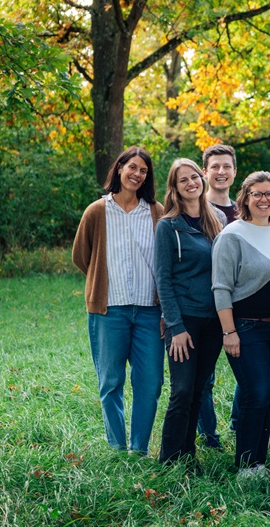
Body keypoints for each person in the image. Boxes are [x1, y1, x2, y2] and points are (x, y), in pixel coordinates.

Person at [72, 146, 164, 455]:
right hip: (108, 310)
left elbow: (163, 261)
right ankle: (116, 447)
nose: (137, 174)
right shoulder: (97, 210)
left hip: (150, 313)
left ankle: (138, 448)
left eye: (143, 171)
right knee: (111, 382)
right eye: (132, 167)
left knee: (150, 384)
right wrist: (101, 280)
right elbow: (82, 256)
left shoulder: (156, 211)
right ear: (119, 168)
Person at [212, 171, 270, 479]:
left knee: (269, 395)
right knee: (256, 394)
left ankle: (258, 462)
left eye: (268, 194)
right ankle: (246, 464)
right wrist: (229, 331)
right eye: (257, 194)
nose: (263, 199)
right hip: (246, 328)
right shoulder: (232, 234)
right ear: (246, 199)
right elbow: (221, 287)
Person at [154, 159, 226, 465]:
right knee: (182, 390)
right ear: (175, 187)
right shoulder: (168, 226)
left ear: (202, 178)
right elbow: (163, 278)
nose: (191, 183)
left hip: (214, 321)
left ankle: (188, 455)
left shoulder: (218, 220)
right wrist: (175, 326)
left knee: (198, 389)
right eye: (183, 180)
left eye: (194, 177)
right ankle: (169, 459)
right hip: (184, 321)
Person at [197, 143, 239, 449]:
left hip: (242, 305)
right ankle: (209, 435)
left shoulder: (244, 211)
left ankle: (240, 426)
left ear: (235, 172)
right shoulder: (196, 210)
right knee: (204, 377)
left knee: (248, 373)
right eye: (215, 167)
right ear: (205, 172)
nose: (221, 172)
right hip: (205, 306)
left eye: (226, 167)